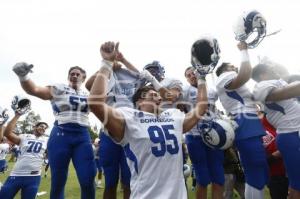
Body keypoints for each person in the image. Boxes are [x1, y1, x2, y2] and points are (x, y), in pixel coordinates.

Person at [88, 41, 208, 199]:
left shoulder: (172, 116)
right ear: (138, 102)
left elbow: (201, 108)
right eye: (149, 94)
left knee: (125, 182)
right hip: (146, 194)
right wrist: (107, 63)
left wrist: (201, 79)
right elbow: (95, 103)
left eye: (156, 94)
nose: (156, 95)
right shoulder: (129, 117)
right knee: (112, 181)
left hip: (176, 195)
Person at [12, 63, 96, 199]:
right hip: (61, 135)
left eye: (77, 74)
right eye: (72, 73)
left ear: (83, 78)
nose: (74, 75)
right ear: (68, 77)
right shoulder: (59, 88)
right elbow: (34, 90)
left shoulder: (89, 95)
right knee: (58, 182)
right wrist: (24, 76)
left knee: (88, 180)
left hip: (82, 136)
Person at [215, 41, 268, 199]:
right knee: (256, 169)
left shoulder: (230, 79)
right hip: (245, 122)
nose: (235, 68)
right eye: (232, 66)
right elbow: (244, 76)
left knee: (256, 171)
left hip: (248, 121)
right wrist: (244, 51)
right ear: (225, 70)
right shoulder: (224, 76)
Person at [252, 63, 300, 199]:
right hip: (291, 134)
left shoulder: (279, 81)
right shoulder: (261, 86)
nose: (274, 69)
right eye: (270, 68)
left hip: (294, 132)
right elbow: (284, 92)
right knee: (297, 184)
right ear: (262, 74)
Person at [183, 66, 224, 199]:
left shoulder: (212, 90)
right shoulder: (185, 91)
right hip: (194, 136)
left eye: (193, 73)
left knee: (218, 177)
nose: (192, 76)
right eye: (188, 75)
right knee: (203, 178)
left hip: (214, 136)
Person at [0, 110, 48, 199]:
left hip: (34, 177)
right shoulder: (24, 137)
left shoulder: (47, 140)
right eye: (41, 126)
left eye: (45, 128)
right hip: (16, 174)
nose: (44, 128)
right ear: (34, 127)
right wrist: (17, 115)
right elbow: (7, 133)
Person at [257, 108, 288, 199]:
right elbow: (259, 161)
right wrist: (276, 154)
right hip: (274, 175)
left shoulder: (268, 121)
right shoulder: (251, 132)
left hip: (290, 169)